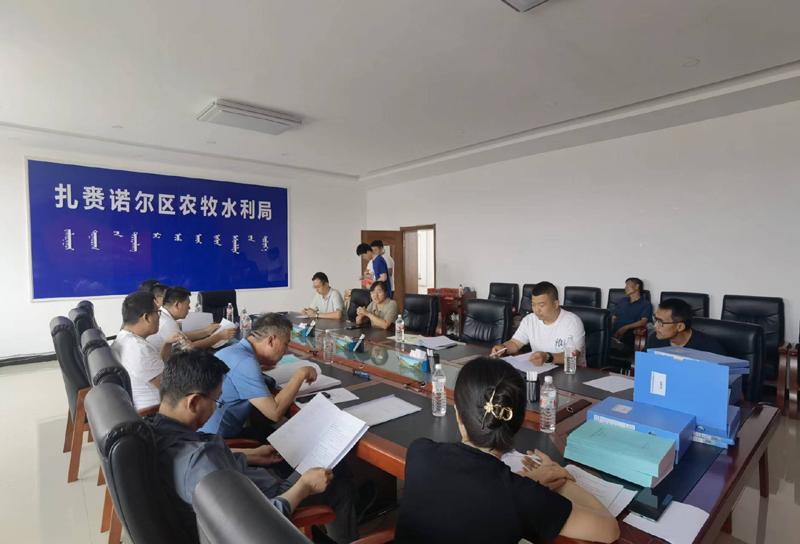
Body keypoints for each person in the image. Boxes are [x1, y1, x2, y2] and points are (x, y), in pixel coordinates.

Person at [395, 357, 620, 544]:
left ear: (459, 415)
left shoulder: (420, 452)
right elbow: (610, 530)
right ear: (519, 423)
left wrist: (531, 480)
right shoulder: (520, 496)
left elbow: (473, 490)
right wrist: (559, 476)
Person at [147, 349, 358, 543]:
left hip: (249, 484)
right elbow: (252, 528)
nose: (216, 408)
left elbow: (214, 468)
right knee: (339, 483)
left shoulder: (155, 429)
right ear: (193, 402)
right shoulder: (199, 463)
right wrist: (305, 486)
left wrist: (250, 455)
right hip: (270, 499)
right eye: (216, 402)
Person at [198, 313, 318, 439]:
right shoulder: (245, 363)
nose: (286, 350)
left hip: (202, 428)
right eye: (285, 344)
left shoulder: (233, 351)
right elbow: (274, 413)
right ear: (271, 340)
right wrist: (300, 375)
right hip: (215, 439)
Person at [111, 291, 181, 410]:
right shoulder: (140, 349)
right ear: (146, 317)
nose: (159, 317)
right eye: (157, 312)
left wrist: (167, 344)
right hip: (156, 412)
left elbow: (155, 368)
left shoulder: (124, 338)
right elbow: (172, 388)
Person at [490, 281, 586, 367]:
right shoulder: (529, 320)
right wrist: (503, 348)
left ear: (556, 304)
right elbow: (515, 343)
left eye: (541, 305)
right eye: (533, 305)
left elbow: (573, 355)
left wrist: (547, 357)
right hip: (541, 370)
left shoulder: (572, 322)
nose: (536, 310)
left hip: (571, 372)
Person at [147, 286, 237, 352]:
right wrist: (219, 336)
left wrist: (206, 331)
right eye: (187, 304)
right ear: (177, 305)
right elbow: (187, 349)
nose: (189, 308)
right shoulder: (168, 323)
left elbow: (182, 336)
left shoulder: (163, 315)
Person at [646, 298, 726, 354]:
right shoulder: (654, 339)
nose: (655, 326)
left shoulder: (709, 348)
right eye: (655, 320)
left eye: (660, 322)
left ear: (680, 327)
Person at [611, 277, 652, 347]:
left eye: (628, 285)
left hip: (630, 333)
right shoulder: (622, 301)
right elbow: (614, 317)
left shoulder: (645, 304)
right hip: (614, 331)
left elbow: (643, 321)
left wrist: (625, 328)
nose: (625, 288)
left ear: (637, 286)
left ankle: (617, 345)